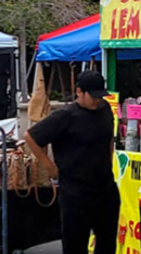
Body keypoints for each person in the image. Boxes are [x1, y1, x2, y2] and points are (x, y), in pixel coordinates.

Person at [25, 71, 120, 254]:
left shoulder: (105, 109)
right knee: (75, 242)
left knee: (107, 240)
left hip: (105, 186)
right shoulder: (65, 115)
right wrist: (49, 166)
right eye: (93, 97)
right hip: (76, 189)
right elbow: (31, 137)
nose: (97, 101)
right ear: (79, 92)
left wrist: (109, 160)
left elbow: (109, 137)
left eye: (100, 96)